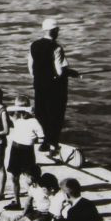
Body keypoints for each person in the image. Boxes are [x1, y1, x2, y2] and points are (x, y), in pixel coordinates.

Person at [28, 17, 76, 150]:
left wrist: (39, 77)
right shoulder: (57, 48)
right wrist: (71, 72)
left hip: (39, 85)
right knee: (55, 115)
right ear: (54, 31)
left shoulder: (33, 45)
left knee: (41, 113)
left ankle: (44, 141)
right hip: (55, 88)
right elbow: (60, 72)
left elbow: (30, 67)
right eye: (57, 30)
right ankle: (52, 143)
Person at [2, 97, 47, 209]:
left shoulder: (34, 121)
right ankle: (16, 201)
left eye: (22, 109)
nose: (20, 112)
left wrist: (33, 140)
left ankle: (34, 201)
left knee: (30, 178)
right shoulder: (16, 118)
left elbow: (41, 137)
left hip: (27, 150)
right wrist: (18, 109)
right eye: (18, 109)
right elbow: (7, 109)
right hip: (15, 149)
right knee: (14, 176)